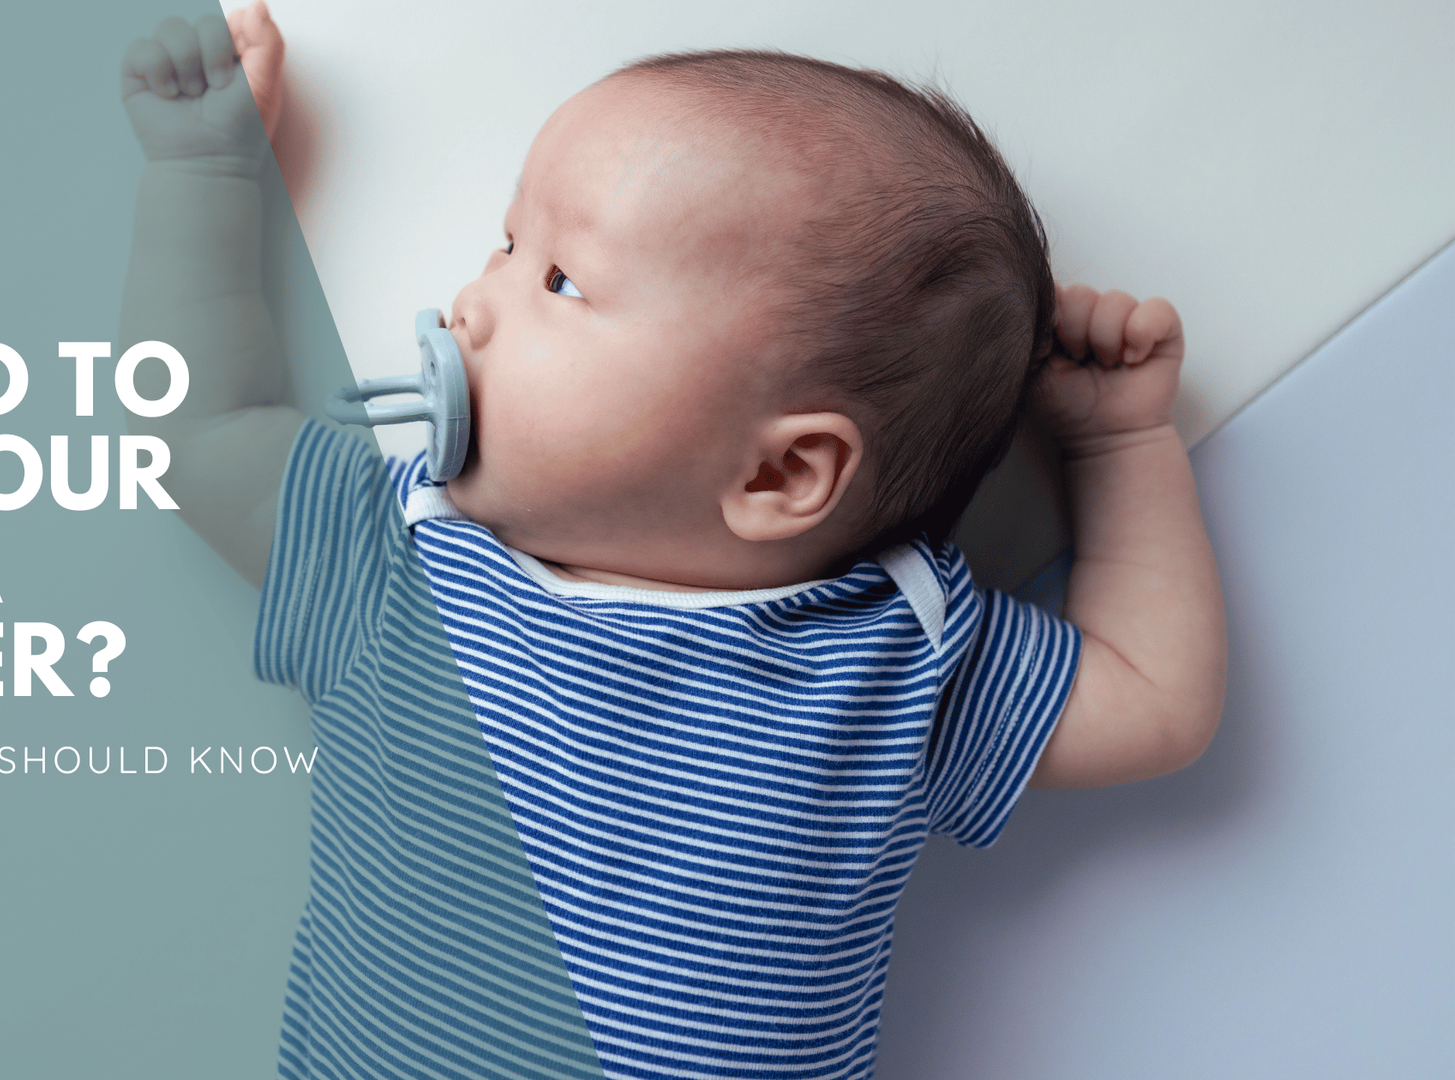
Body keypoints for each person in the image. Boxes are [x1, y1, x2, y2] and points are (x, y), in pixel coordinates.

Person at [118, 5, 1226, 1078]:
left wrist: (1122, 446)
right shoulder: (398, 559)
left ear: (779, 473)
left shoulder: (888, 656)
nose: (471, 302)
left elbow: (1153, 703)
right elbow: (193, 432)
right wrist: (203, 176)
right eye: (505, 245)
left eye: (560, 280)